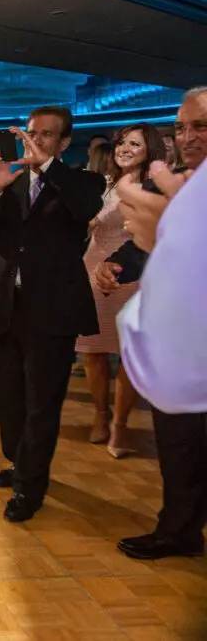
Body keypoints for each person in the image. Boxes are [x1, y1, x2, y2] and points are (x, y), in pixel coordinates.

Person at [0, 107, 104, 523]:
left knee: (42, 403)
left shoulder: (83, 181)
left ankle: (31, 485)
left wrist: (47, 168)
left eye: (46, 135)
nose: (35, 140)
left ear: (63, 143)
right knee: (8, 398)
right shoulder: (9, 182)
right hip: (7, 305)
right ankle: (19, 461)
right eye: (31, 132)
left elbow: (83, 208)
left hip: (53, 310)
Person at [96, 86, 207, 560]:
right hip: (183, 342)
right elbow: (151, 237)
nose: (188, 136)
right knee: (179, 443)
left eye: (199, 125)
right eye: (181, 127)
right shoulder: (178, 181)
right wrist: (116, 263)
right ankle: (177, 530)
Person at [75, 124, 165, 458]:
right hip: (93, 266)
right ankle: (100, 414)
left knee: (128, 353)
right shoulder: (106, 184)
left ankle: (120, 424)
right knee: (93, 349)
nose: (124, 148)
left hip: (134, 270)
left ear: (149, 149)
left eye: (134, 143)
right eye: (122, 142)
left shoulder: (152, 188)